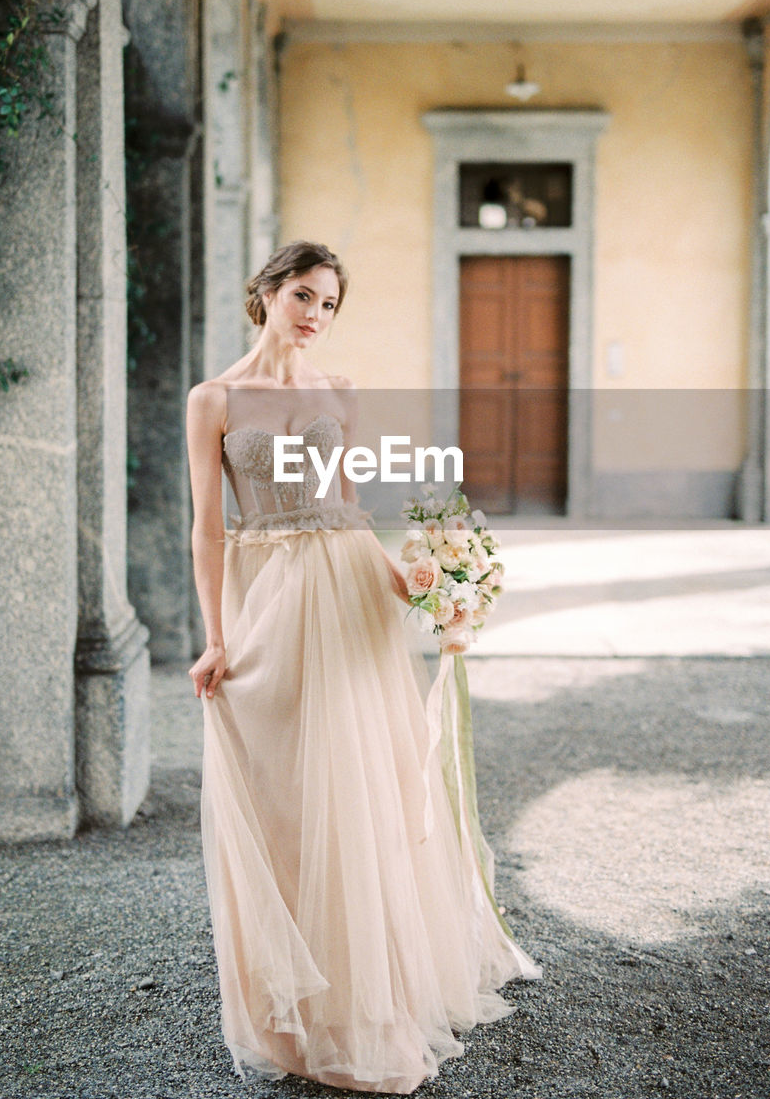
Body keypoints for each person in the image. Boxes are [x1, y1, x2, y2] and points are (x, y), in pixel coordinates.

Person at [186, 240, 540, 1094]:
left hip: (346, 592)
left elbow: (346, 506)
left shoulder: (339, 393)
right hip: (266, 598)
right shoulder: (214, 399)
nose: (315, 315)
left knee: (357, 789)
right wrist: (215, 635)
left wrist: (423, 588)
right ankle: (290, 1009)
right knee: (281, 793)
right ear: (267, 292)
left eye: (330, 304)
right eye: (304, 295)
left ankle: (365, 1001)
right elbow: (207, 527)